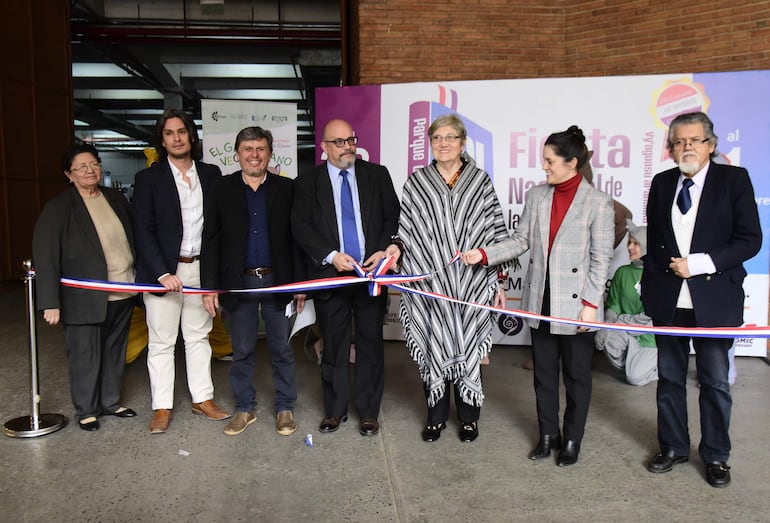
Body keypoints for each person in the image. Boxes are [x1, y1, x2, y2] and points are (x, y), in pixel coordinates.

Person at [463, 125, 614, 466]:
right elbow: (521, 241)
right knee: (544, 375)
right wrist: (484, 254)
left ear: (571, 163)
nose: (544, 167)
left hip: (577, 308)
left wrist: (590, 307)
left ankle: (572, 440)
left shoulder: (598, 203)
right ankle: (548, 435)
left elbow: (601, 260)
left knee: (577, 378)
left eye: (549, 161)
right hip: (541, 301)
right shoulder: (537, 195)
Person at [641, 111, 761, 488]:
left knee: (715, 383)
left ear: (711, 144)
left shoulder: (734, 180)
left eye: (694, 140)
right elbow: (657, 238)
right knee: (670, 380)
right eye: (679, 141)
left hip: (714, 301)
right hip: (669, 300)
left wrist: (700, 263)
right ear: (671, 147)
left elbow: (750, 239)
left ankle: (715, 456)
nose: (686, 147)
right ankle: (674, 446)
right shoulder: (662, 183)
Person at [384, 114, 509, 443]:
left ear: (462, 142)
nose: (443, 143)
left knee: (468, 345)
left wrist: (496, 281)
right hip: (430, 285)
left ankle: (469, 418)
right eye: (437, 138)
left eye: (450, 137)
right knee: (433, 343)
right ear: (430, 142)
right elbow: (406, 231)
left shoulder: (479, 181)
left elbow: (496, 234)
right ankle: (436, 416)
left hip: (471, 283)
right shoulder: (417, 182)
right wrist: (397, 252)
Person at [292, 118, 400, 437]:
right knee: (335, 346)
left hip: (370, 276)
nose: (347, 147)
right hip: (331, 275)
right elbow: (301, 226)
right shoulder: (307, 182)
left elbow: (392, 216)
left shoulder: (376, 175)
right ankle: (334, 411)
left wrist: (382, 250)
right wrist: (330, 256)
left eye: (351, 139)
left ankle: (368, 411)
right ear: (324, 147)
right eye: (339, 142)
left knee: (370, 344)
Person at [201, 126, 305, 436]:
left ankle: (285, 406)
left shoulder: (287, 189)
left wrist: (300, 284)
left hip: (278, 282)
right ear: (237, 154)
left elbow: (296, 239)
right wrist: (209, 287)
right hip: (238, 283)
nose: (254, 155)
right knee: (242, 350)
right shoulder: (221, 189)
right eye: (248, 149)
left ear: (270, 154)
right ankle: (244, 409)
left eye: (260, 149)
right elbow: (211, 240)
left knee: (282, 349)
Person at [132, 108, 230, 434]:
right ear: (162, 140)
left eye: (181, 131)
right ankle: (162, 406)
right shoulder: (148, 179)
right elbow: (142, 230)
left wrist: (214, 278)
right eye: (169, 133)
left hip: (200, 270)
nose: (176, 138)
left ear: (191, 136)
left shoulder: (212, 174)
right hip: (164, 274)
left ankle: (203, 398)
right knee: (161, 342)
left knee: (198, 336)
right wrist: (161, 272)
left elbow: (217, 229)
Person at [32, 143, 137, 431]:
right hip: (83, 298)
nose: (90, 170)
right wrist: (49, 301)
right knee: (84, 353)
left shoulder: (115, 198)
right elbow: (46, 255)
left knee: (115, 350)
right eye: (82, 167)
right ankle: (87, 409)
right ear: (69, 174)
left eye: (94, 164)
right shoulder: (59, 208)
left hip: (124, 289)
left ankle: (111, 401)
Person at [594, 220, 657, 386]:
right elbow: (613, 305)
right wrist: (607, 323)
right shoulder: (622, 272)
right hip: (627, 334)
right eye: (629, 242)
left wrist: (618, 323)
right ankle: (634, 368)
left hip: (651, 339)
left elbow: (648, 317)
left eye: (636, 243)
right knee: (606, 336)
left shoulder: (659, 276)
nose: (630, 247)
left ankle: (659, 368)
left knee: (634, 378)